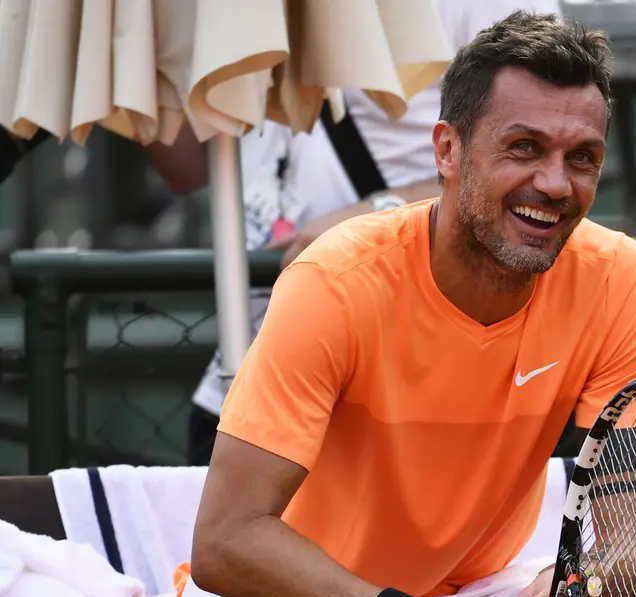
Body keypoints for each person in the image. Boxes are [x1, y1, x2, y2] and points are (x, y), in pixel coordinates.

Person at [157, 11, 636, 597]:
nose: (556, 183)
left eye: (581, 158)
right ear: (447, 150)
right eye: (523, 147)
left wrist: (579, 588)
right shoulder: (335, 280)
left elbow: (634, 544)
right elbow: (227, 542)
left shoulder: (619, 277)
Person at [143, 0, 565, 467]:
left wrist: (372, 216)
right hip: (250, 369)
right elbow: (184, 167)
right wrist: (140, 40)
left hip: (404, 386)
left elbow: (543, 166)